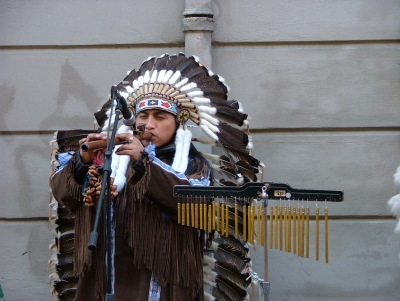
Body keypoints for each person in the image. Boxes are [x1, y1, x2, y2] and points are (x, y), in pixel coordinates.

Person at [49, 53, 261, 301]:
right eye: (143, 116)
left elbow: (193, 203)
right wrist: (84, 159)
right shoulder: (111, 159)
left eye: (160, 117)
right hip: (104, 276)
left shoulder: (192, 164)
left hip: (162, 280)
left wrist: (144, 162)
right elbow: (63, 193)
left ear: (178, 123)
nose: (149, 125)